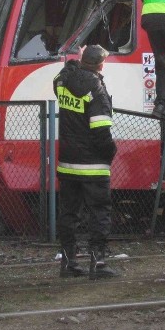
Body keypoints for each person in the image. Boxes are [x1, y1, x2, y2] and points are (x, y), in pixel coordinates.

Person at [53, 44, 119, 280]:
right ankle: (98, 263)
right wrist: (110, 152)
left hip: (67, 162)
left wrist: (75, 61)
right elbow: (101, 132)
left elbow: (60, 76)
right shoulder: (97, 90)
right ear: (101, 65)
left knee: (69, 214)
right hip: (93, 165)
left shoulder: (63, 82)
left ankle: (68, 263)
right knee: (99, 213)